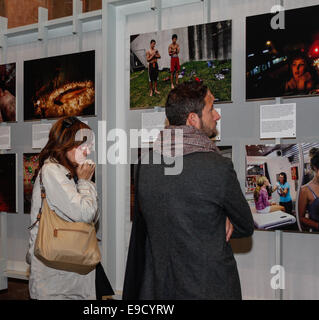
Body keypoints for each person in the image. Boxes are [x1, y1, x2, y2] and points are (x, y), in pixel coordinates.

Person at [123, 81, 254, 300]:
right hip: (210, 287)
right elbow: (245, 225)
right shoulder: (217, 166)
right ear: (193, 119)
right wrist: (223, 219)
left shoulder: (144, 165)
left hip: (159, 288)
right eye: (211, 108)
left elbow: (148, 226)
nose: (217, 116)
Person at [26, 116, 113, 300]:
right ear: (66, 144)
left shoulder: (67, 172)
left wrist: (83, 182)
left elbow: (92, 217)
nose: (87, 150)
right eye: (82, 145)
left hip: (68, 271)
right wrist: (84, 182)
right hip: (57, 276)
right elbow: (86, 213)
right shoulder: (52, 171)